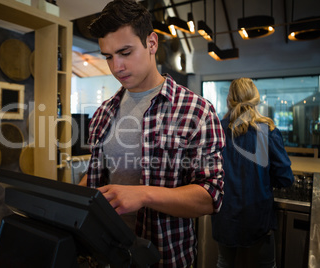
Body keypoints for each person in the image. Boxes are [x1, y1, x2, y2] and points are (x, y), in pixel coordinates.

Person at [78, 0, 225, 267]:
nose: (116, 67)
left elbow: (210, 196)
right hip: (104, 255)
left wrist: (144, 194)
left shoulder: (196, 111)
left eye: (125, 52)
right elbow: (101, 174)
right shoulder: (102, 113)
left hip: (164, 259)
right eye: (109, 56)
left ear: (152, 43)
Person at [211, 78, 294, 268]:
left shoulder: (217, 131)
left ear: (229, 100)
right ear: (256, 99)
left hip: (224, 216)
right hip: (258, 218)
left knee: (224, 263)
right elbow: (285, 178)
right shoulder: (267, 132)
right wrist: (262, 178)